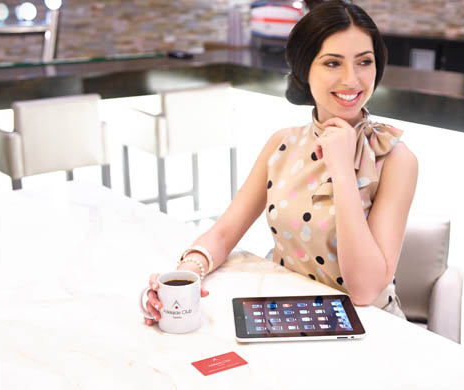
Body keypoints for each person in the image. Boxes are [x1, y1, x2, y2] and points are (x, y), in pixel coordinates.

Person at [143, 0, 418, 326]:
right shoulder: (282, 144)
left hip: (371, 330)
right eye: (332, 63)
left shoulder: (396, 158)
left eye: (364, 62)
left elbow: (365, 291)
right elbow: (224, 233)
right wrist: (187, 272)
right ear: (305, 68)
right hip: (289, 317)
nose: (351, 79)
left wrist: (343, 171)